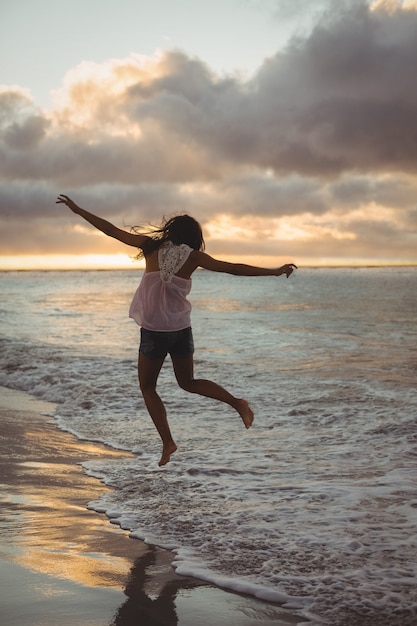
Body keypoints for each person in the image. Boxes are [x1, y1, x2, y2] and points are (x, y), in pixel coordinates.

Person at [56, 194, 297, 466]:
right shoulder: (194, 257)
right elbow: (234, 269)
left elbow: (111, 230)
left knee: (148, 387)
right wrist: (274, 272)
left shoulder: (149, 246)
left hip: (155, 331)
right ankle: (237, 403)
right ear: (194, 237)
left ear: (170, 231)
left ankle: (168, 442)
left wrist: (78, 210)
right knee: (188, 383)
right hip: (181, 329)